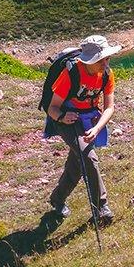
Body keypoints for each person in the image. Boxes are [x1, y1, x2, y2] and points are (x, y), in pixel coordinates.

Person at [45, 35, 121, 223]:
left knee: (77, 164)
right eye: (101, 60)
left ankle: (57, 199)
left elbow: (109, 108)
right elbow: (52, 108)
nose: (105, 63)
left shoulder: (106, 74)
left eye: (107, 59)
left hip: (90, 121)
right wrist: (62, 117)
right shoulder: (71, 73)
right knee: (88, 157)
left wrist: (97, 128)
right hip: (67, 120)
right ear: (89, 60)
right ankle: (101, 208)